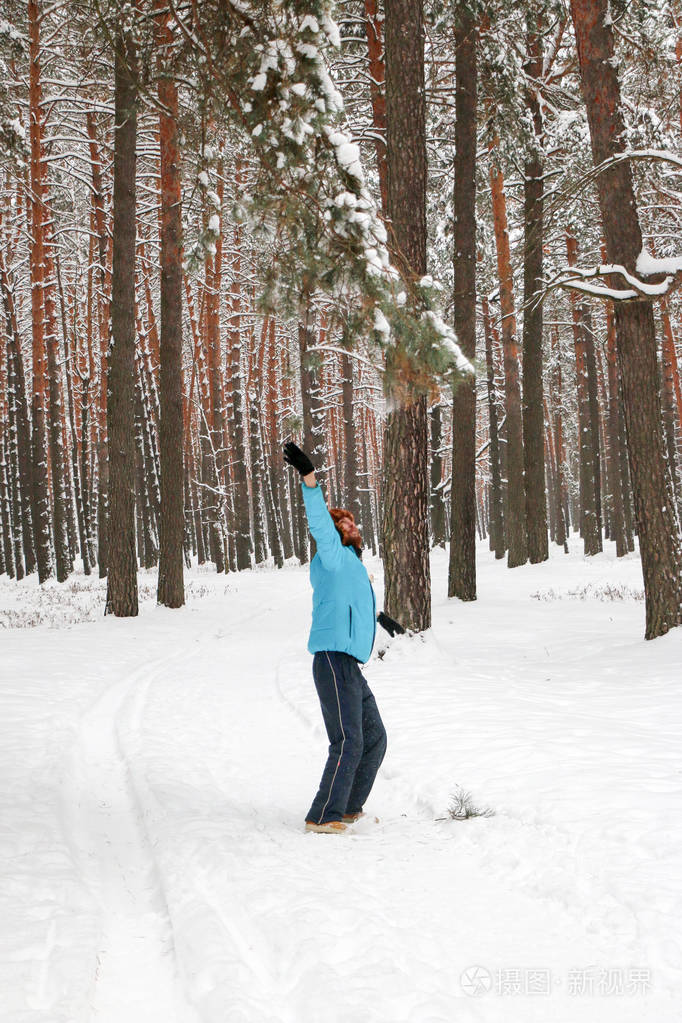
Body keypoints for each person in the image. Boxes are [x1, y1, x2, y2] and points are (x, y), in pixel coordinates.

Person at [284, 441, 401, 835]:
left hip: (349, 664)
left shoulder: (352, 564)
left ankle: (348, 806)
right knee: (348, 739)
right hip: (333, 660)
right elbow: (319, 522)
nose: (351, 525)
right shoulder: (332, 557)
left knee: (375, 739)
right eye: (344, 523)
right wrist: (309, 478)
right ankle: (323, 815)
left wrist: (384, 620)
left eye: (352, 522)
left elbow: (355, 607)